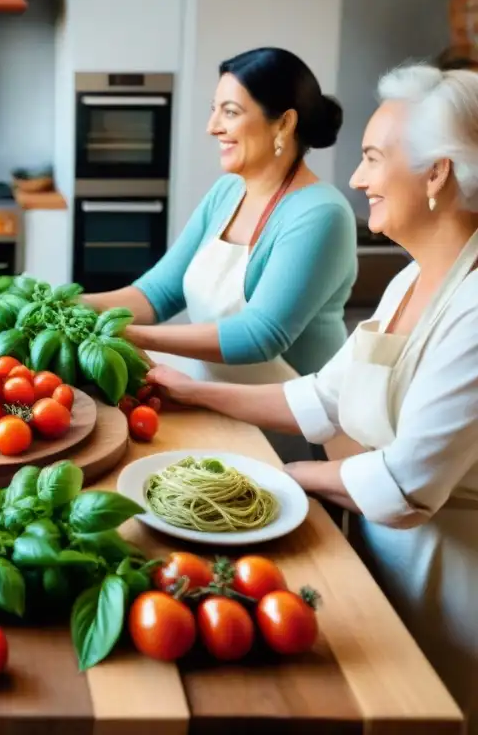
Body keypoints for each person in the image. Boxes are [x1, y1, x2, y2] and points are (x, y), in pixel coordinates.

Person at [147, 64, 478, 731]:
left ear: (436, 174)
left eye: (372, 159)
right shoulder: (412, 280)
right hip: (382, 561)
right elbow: (325, 398)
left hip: (453, 588)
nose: (356, 179)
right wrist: (193, 394)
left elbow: (406, 487)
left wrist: (269, 478)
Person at [85, 48, 357, 387]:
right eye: (214, 111)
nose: (212, 127)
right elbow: (158, 294)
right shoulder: (227, 192)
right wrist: (65, 306)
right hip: (218, 396)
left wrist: (123, 333)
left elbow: (258, 336)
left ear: (284, 123)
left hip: (296, 423)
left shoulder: (320, 214)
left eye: (230, 112)